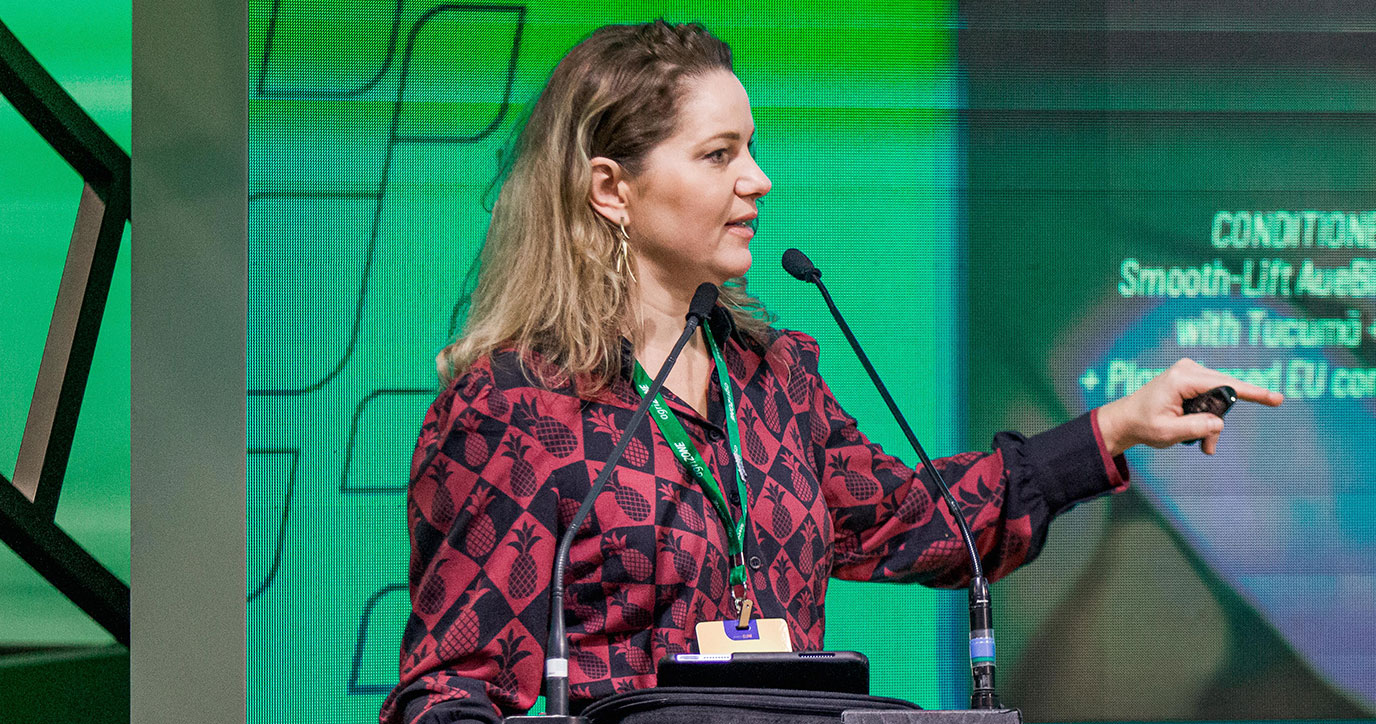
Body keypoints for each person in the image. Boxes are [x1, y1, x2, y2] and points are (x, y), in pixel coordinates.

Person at [379, 19, 1281, 724]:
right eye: (719, 154)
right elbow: (447, 688)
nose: (760, 180)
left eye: (752, 147)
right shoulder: (516, 408)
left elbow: (919, 523)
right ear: (611, 188)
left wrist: (1117, 426)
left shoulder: (775, 380)